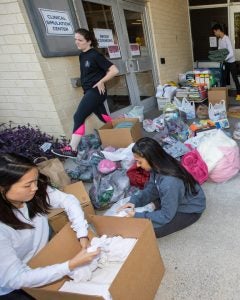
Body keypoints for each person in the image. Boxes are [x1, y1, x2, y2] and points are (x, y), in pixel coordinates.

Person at [0, 153, 99, 299]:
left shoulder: (34, 192)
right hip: (16, 286)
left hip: (42, 256)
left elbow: (68, 201)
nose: (34, 188)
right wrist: (69, 265)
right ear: (2, 189)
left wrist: (82, 234)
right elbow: (15, 278)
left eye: (35, 181)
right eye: (27, 185)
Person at [52, 28, 119, 158]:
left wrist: (101, 81)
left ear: (88, 41)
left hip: (96, 92)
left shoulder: (95, 55)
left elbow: (114, 70)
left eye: (80, 40)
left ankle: (72, 149)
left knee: (78, 117)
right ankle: (123, 132)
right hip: (90, 91)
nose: (77, 42)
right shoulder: (82, 55)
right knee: (103, 117)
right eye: (75, 39)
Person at [119, 137, 206, 238]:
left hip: (190, 209)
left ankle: (157, 205)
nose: (137, 165)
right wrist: (134, 201)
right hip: (176, 197)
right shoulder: (158, 166)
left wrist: (138, 216)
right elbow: (151, 188)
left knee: (148, 230)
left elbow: (166, 215)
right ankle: (157, 204)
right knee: (153, 211)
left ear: (151, 158)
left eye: (139, 162)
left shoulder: (169, 182)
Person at [212, 23, 240, 100]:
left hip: (231, 62)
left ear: (218, 30)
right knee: (223, 78)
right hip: (226, 62)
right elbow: (219, 50)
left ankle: (239, 94)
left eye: (215, 32)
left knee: (235, 78)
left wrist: (224, 58)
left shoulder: (226, 39)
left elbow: (231, 53)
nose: (215, 34)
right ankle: (223, 94)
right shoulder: (220, 40)